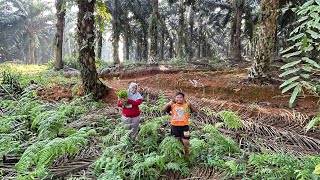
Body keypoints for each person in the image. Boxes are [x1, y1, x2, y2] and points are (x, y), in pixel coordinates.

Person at [162, 92, 197, 158]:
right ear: (175, 99)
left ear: (183, 99)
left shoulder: (186, 105)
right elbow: (163, 110)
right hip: (175, 127)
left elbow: (195, 111)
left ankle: (187, 155)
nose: (179, 99)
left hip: (185, 127)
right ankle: (179, 155)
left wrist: (191, 105)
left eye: (181, 97)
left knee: (186, 142)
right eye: (177, 97)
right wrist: (168, 104)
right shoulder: (172, 105)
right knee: (177, 142)